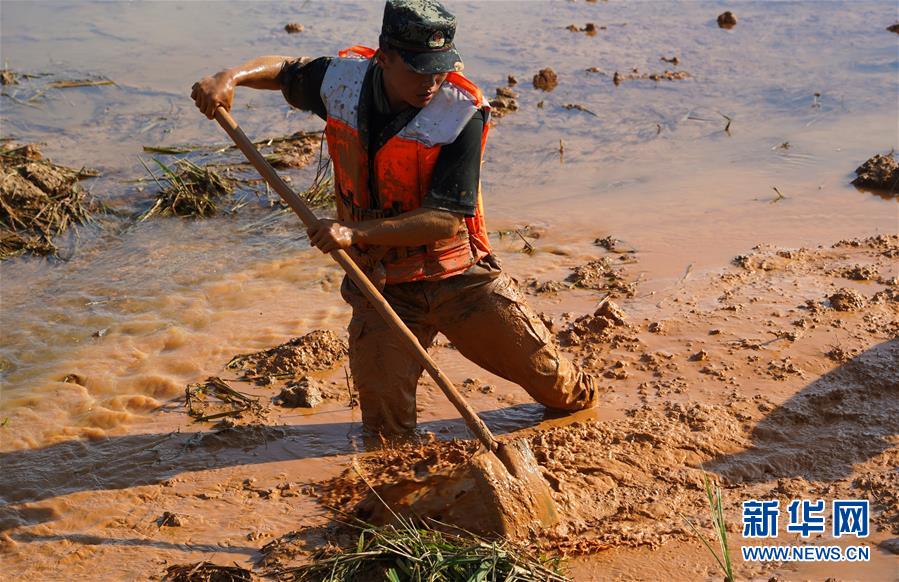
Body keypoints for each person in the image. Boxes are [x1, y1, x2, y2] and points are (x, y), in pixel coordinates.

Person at [192, 0, 598, 435]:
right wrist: (230, 77)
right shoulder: (343, 82)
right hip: (382, 285)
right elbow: (287, 70)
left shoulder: (460, 112)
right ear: (384, 58)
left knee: (561, 390)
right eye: (419, 70)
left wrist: (353, 232)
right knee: (385, 430)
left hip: (458, 279)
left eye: (440, 70)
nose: (431, 82)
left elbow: (445, 220)